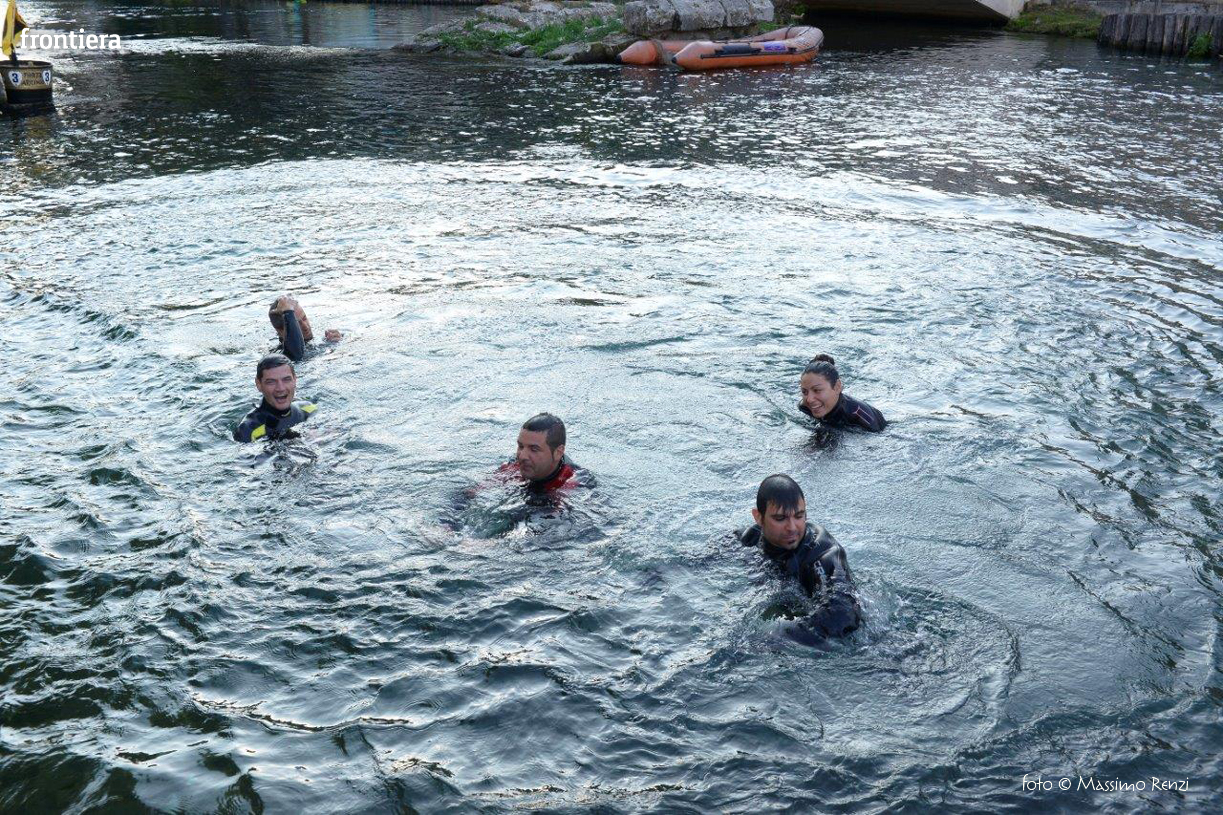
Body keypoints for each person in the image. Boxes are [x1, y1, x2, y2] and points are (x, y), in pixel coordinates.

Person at [740, 474, 861, 638]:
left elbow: (844, 614)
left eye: (799, 516)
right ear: (759, 517)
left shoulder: (825, 554)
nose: (792, 528)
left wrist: (778, 637)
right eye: (780, 518)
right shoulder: (751, 537)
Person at [495, 413, 590, 493]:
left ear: (558, 453)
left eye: (534, 449)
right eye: (521, 446)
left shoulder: (577, 484)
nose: (522, 456)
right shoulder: (512, 467)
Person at [233, 354, 317, 442]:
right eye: (271, 382)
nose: (280, 388)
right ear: (259, 384)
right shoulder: (248, 430)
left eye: (286, 379)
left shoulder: (309, 409)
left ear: (295, 380)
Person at [798, 354, 886, 432]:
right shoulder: (805, 407)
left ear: (837, 387)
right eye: (804, 391)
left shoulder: (860, 415)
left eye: (817, 390)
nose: (809, 400)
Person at [268, 295, 341, 362]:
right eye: (297, 323)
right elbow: (297, 356)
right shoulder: (279, 358)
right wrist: (288, 312)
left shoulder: (317, 344)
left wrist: (333, 342)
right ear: (280, 330)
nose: (305, 326)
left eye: (304, 318)